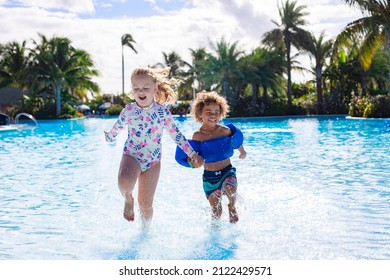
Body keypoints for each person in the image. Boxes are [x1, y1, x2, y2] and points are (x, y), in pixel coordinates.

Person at [104, 67, 203, 223]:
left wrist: (192, 154)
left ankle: (145, 231)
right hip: (132, 155)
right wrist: (110, 136)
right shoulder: (129, 110)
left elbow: (176, 135)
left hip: (153, 161)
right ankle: (128, 199)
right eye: (136, 88)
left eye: (145, 88)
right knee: (124, 183)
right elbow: (119, 125)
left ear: (154, 89)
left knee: (145, 204)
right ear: (132, 90)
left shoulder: (162, 112)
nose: (140, 91)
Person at [175, 91, 246, 223]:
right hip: (210, 176)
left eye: (216, 112)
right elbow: (194, 157)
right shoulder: (198, 136)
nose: (213, 115)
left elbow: (236, 142)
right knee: (216, 212)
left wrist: (242, 152)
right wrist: (194, 161)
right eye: (208, 112)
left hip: (227, 171)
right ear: (200, 113)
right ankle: (215, 236)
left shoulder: (225, 130)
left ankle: (231, 205)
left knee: (230, 189)